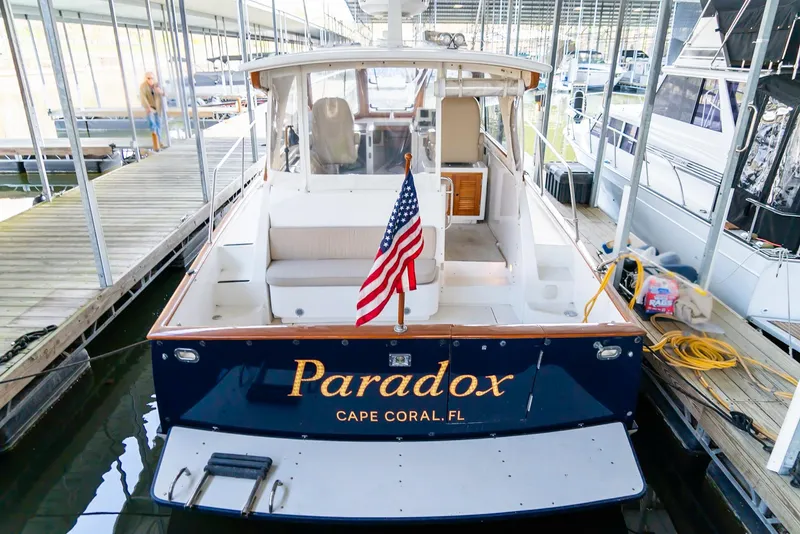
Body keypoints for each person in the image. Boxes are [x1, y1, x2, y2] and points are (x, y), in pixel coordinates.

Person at [139, 72, 164, 151]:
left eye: (151, 78)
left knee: (158, 124)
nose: (150, 80)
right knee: (152, 124)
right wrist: (147, 107)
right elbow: (143, 97)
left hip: (158, 107)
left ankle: (159, 141)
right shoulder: (143, 86)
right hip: (150, 107)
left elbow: (165, 93)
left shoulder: (157, 85)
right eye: (148, 78)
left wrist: (160, 92)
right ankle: (156, 142)